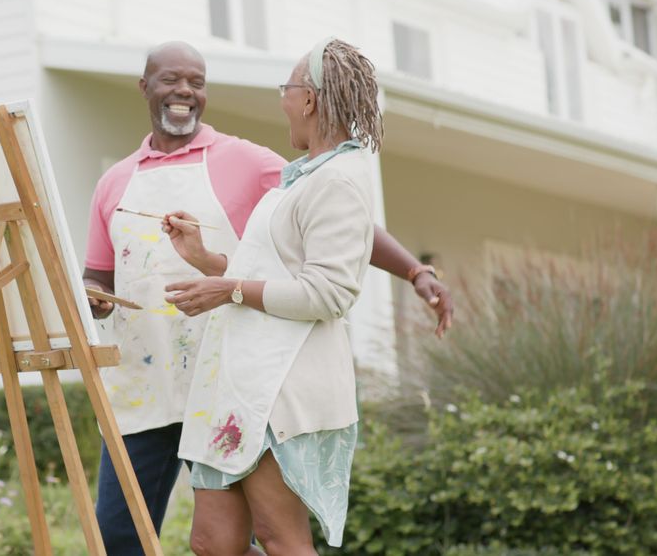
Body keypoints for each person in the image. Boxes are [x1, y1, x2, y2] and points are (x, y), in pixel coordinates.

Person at [83, 40, 451, 555]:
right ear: (145, 88)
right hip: (145, 387)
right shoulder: (115, 181)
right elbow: (100, 274)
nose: (185, 91)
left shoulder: (261, 163)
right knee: (161, 539)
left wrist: (414, 269)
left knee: (270, 535)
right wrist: (109, 292)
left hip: (233, 379)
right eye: (171, 80)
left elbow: (343, 237)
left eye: (196, 81)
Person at [163, 37, 389, 554]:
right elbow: (271, 270)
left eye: (287, 89)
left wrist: (230, 288)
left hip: (278, 389)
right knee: (212, 542)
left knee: (279, 538)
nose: (282, 99)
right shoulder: (303, 177)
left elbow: (329, 293)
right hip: (237, 381)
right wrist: (208, 261)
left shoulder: (338, 181)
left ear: (308, 99)